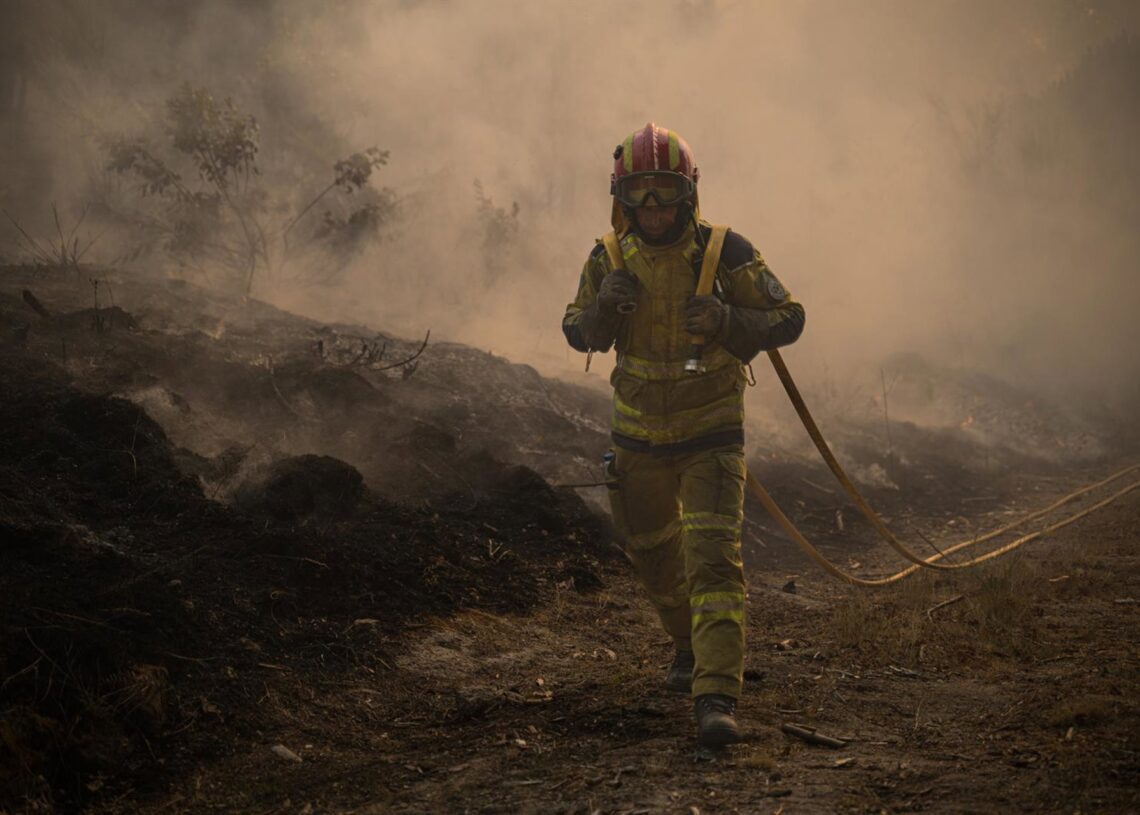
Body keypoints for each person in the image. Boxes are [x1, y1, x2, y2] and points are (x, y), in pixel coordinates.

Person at [562, 123, 805, 747]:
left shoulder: (725, 252)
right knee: (653, 558)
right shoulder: (606, 259)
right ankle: (688, 649)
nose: (653, 209)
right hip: (637, 440)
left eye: (663, 192)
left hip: (710, 439)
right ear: (621, 197)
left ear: (688, 193)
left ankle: (717, 696)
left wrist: (729, 318)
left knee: (713, 564)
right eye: (639, 194)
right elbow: (575, 332)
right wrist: (600, 310)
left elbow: (789, 316)